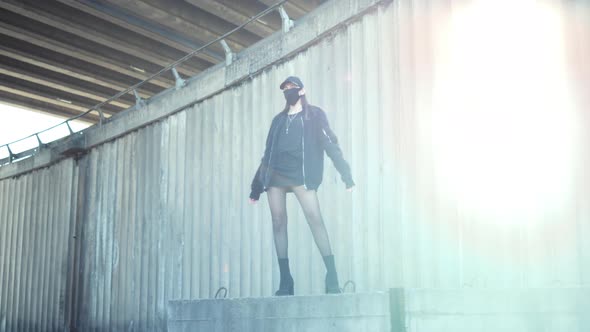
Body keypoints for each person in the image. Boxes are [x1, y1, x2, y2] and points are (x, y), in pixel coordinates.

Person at [249, 76, 355, 296]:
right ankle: (286, 281)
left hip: (301, 174)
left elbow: (330, 144)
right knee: (278, 222)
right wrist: (256, 186)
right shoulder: (278, 120)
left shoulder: (314, 115)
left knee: (315, 219)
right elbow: (267, 154)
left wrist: (346, 174)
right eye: (285, 89)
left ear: (301, 90)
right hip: (276, 174)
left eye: (292, 88)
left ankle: (332, 276)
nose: (288, 91)